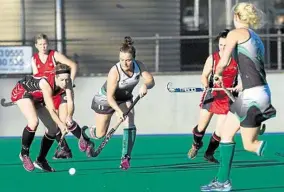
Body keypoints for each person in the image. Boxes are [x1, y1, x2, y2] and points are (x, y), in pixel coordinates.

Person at [201, 2, 276, 191]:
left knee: (251, 145)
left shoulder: (235, 34)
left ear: (236, 16)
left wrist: (217, 74)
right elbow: (253, 68)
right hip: (260, 91)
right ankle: (222, 181)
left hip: (252, 95)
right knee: (227, 133)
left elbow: (224, 61)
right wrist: (240, 86)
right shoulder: (256, 38)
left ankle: (267, 145)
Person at [83, 36, 155, 170]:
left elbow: (151, 80)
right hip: (105, 99)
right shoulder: (114, 72)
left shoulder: (139, 66)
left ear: (133, 59)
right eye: (122, 60)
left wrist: (146, 85)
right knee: (100, 134)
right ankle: (85, 134)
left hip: (124, 98)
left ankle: (125, 158)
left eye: (128, 60)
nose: (125, 63)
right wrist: (119, 111)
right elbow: (110, 97)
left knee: (130, 119)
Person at [11, 64, 94, 172]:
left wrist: (69, 117)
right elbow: (51, 110)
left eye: (67, 80)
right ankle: (24, 153)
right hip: (23, 92)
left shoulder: (68, 82)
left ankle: (40, 160)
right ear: (55, 77)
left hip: (38, 98)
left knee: (52, 129)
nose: (65, 83)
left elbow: (70, 103)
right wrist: (61, 124)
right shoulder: (45, 84)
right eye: (62, 80)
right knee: (34, 121)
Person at [187, 29, 239, 164]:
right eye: (220, 45)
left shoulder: (237, 61)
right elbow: (204, 76)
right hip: (212, 94)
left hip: (228, 97)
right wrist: (206, 85)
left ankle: (209, 153)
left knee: (220, 131)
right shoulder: (213, 59)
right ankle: (196, 145)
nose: (222, 48)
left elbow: (244, 79)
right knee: (201, 128)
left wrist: (239, 86)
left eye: (225, 45)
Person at [31, 33, 78, 159]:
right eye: (40, 44)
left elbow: (73, 65)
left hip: (58, 93)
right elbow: (36, 79)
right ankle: (65, 149)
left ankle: (84, 142)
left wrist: (70, 82)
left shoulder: (54, 55)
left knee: (64, 121)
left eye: (45, 44)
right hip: (47, 95)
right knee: (53, 125)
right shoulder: (34, 59)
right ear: (36, 45)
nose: (43, 47)